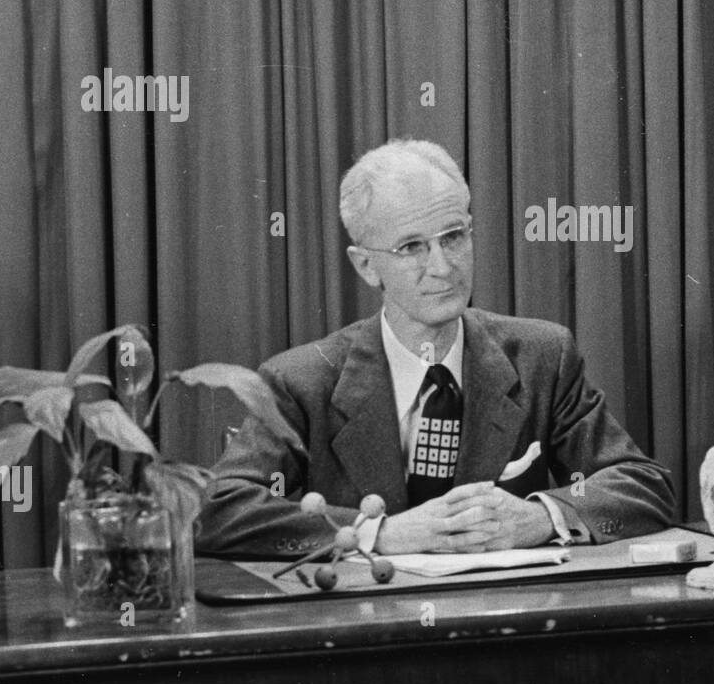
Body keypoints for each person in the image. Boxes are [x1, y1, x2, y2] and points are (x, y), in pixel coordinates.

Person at [197, 138, 675, 558]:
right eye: (411, 248)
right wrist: (375, 533)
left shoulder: (542, 356)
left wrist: (542, 517)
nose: (443, 267)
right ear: (366, 266)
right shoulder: (301, 380)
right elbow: (217, 509)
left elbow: (642, 485)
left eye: (453, 237)